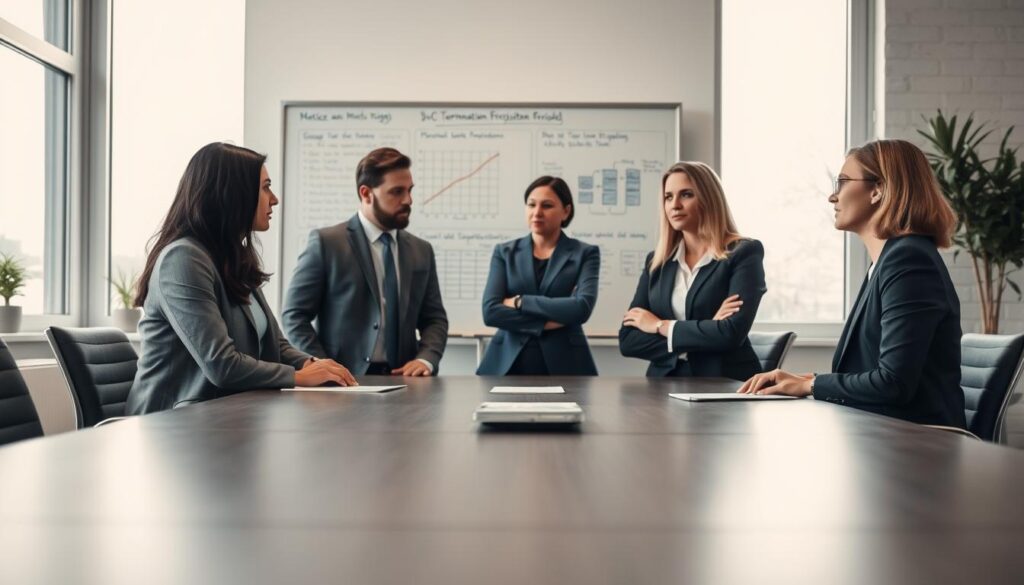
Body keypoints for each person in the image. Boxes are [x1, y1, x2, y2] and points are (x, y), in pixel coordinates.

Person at [739, 139, 965, 428]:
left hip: (916, 444)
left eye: (843, 182)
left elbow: (893, 382)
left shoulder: (908, 260)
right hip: (885, 433)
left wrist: (810, 385)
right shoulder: (887, 261)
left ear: (878, 190)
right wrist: (805, 380)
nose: (833, 197)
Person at [127, 143, 356, 415]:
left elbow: (275, 344)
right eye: (265, 187)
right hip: (169, 425)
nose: (274, 199)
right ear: (232, 194)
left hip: (221, 416)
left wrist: (312, 365)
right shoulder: (183, 259)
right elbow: (221, 364)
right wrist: (298, 377)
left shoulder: (230, 257)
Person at [282, 147, 448, 376]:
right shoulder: (327, 243)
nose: (408, 200)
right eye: (397, 192)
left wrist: (426, 359)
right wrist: (322, 366)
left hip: (405, 382)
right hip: (342, 385)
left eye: (410, 190)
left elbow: (434, 318)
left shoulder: (421, 250)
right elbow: (294, 315)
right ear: (366, 193)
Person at [619, 161, 766, 380]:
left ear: (709, 199)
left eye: (686, 194)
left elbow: (730, 334)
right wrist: (708, 329)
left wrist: (660, 326)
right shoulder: (657, 262)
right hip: (664, 382)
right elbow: (629, 340)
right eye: (668, 197)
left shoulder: (744, 253)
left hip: (724, 384)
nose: (674, 205)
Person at [477, 176, 600, 375]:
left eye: (547, 205)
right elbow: (491, 312)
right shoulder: (504, 252)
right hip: (507, 365)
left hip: (567, 364)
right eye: (531, 205)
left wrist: (520, 302)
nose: (537, 213)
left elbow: (581, 308)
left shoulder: (585, 253)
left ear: (566, 211)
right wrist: (548, 321)